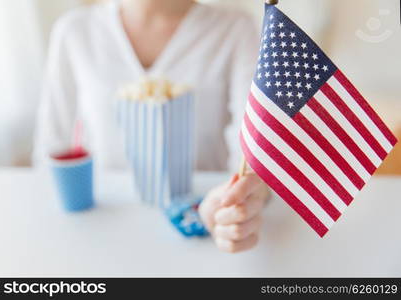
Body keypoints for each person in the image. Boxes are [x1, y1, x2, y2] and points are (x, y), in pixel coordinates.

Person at [34, 0, 270, 253]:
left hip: (202, 229)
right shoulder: (74, 31)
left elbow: (253, 157)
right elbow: (51, 148)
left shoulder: (235, 28)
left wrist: (237, 203)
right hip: (101, 228)